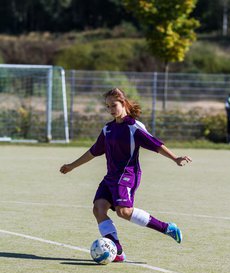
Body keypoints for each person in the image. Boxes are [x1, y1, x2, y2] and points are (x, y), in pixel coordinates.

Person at [60, 88, 192, 262]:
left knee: (123, 211)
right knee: (98, 209)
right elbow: (93, 151)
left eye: (113, 105)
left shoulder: (133, 127)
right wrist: (72, 166)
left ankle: (167, 228)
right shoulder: (108, 129)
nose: (111, 109)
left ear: (123, 103)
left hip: (127, 175)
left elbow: (156, 144)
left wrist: (175, 158)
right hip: (111, 177)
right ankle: (118, 251)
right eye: (107, 106)